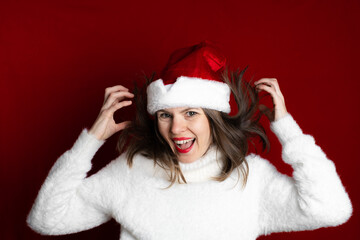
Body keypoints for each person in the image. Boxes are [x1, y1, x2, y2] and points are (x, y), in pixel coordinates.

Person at [27, 41, 352, 240]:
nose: (176, 128)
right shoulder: (131, 172)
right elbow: (47, 220)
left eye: (191, 113)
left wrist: (287, 128)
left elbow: (330, 210)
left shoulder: (251, 179)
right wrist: (89, 142)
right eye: (166, 115)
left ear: (214, 118)